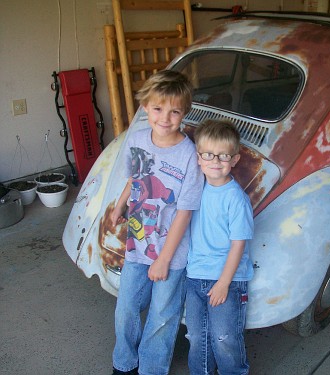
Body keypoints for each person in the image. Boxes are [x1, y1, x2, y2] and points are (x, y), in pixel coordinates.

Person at [110, 70, 204, 375]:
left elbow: (185, 212)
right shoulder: (136, 139)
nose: (165, 117)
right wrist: (120, 205)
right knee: (127, 308)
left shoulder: (190, 155)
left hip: (170, 252)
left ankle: (151, 369)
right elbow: (134, 179)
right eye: (158, 108)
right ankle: (124, 363)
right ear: (146, 107)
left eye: (175, 111)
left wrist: (164, 260)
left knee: (162, 316)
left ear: (184, 113)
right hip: (138, 243)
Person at [186, 119, 254, 375]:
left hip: (228, 279)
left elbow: (238, 245)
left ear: (234, 159)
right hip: (195, 276)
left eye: (224, 155)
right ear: (198, 157)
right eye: (208, 154)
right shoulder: (195, 188)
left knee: (224, 338)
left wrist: (224, 283)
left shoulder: (236, 199)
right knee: (196, 336)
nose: (216, 161)